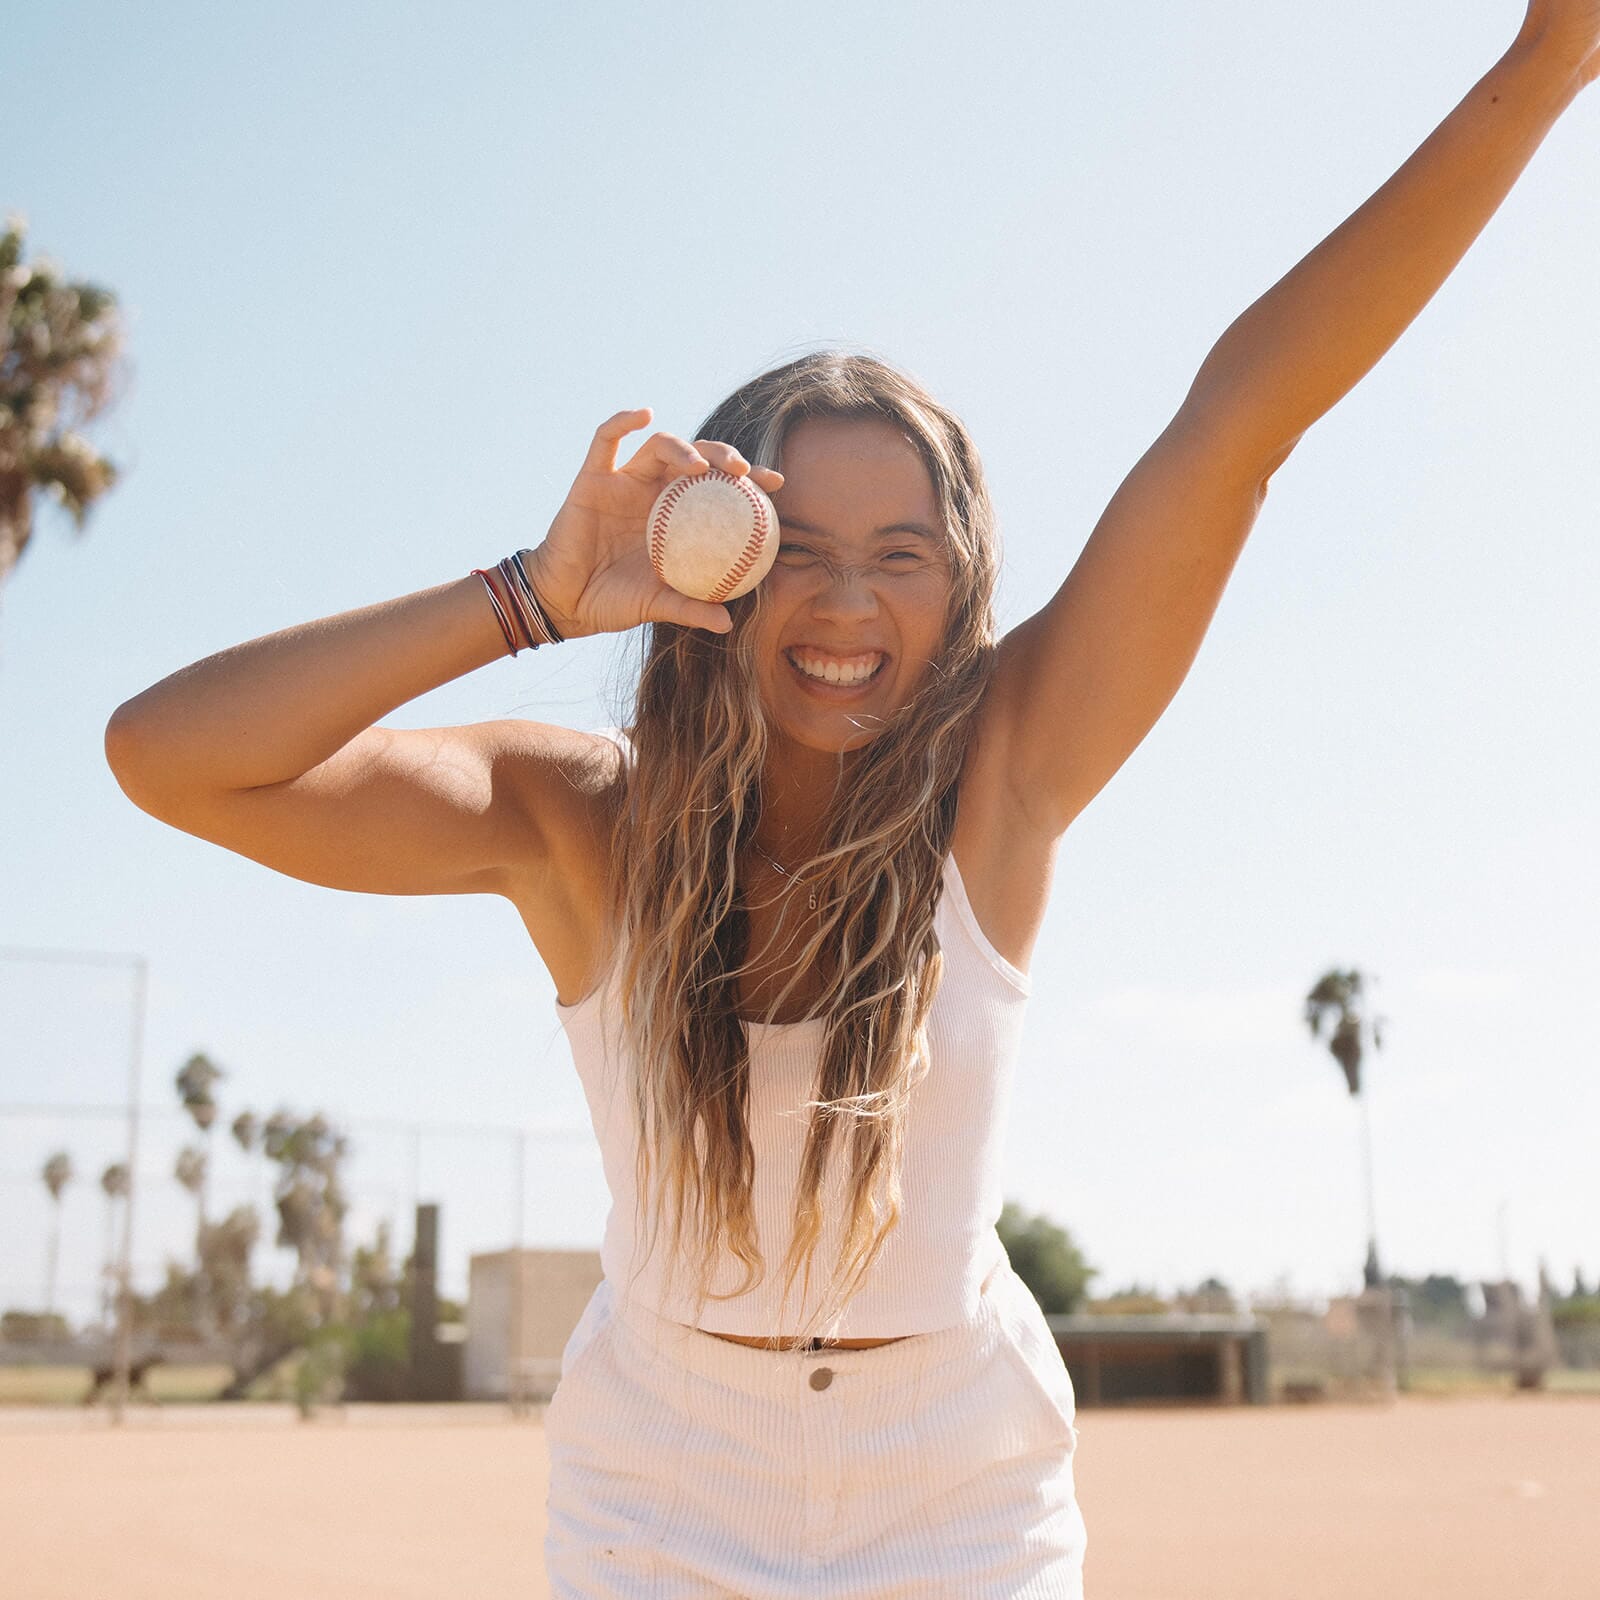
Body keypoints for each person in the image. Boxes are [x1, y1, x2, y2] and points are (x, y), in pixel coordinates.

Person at [104, 8, 1597, 1594]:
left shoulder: (1005, 771)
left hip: (957, 1491)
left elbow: (1240, 427)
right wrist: (531, 595)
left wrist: (1544, 68)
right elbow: (170, 756)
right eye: (796, 550)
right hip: (658, 1489)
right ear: (715, 567)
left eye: (903, 556)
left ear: (962, 590)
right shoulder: (578, 819)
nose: (848, 604)